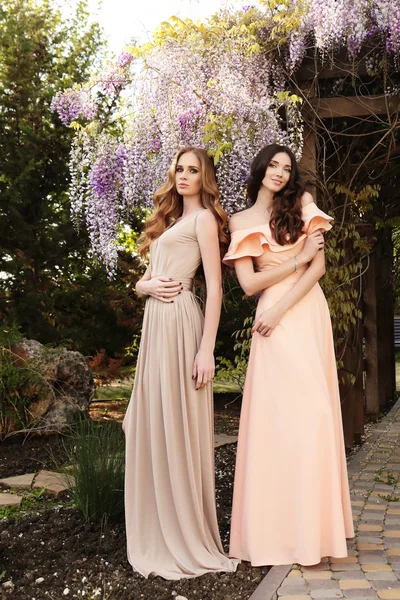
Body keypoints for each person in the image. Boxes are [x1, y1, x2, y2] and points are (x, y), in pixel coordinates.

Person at [223, 143, 354, 566]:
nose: (279, 172)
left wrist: (281, 304)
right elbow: (247, 285)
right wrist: (296, 258)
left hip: (302, 311)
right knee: (276, 423)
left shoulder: (302, 203)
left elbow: (318, 268)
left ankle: (316, 536)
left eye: (286, 167)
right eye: (273, 164)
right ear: (259, 167)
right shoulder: (239, 220)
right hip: (270, 323)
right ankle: (276, 537)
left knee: (314, 415)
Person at [123, 146, 238, 580]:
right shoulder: (170, 222)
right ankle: (156, 524)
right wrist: (143, 286)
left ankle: (185, 531)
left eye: (194, 170)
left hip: (180, 325)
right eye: (180, 169)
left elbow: (215, 287)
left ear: (205, 177)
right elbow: (144, 281)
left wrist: (206, 348)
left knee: (179, 419)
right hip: (156, 324)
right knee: (151, 418)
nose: (185, 175)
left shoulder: (205, 220)